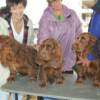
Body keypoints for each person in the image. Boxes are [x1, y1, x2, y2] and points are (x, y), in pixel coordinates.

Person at [37, 0, 82, 100]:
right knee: (50, 95)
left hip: (69, 63)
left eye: (57, 1)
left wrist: (78, 47)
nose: (55, 4)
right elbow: (43, 39)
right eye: (52, 2)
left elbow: (79, 32)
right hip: (51, 66)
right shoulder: (46, 17)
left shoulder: (72, 14)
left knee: (66, 94)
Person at [0, 0, 35, 100]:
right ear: (10, 9)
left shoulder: (29, 23)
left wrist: (34, 47)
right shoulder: (1, 23)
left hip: (22, 69)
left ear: (24, 7)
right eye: (14, 8)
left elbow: (30, 43)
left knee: (20, 96)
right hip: (4, 68)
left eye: (20, 7)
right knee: (3, 95)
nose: (18, 11)